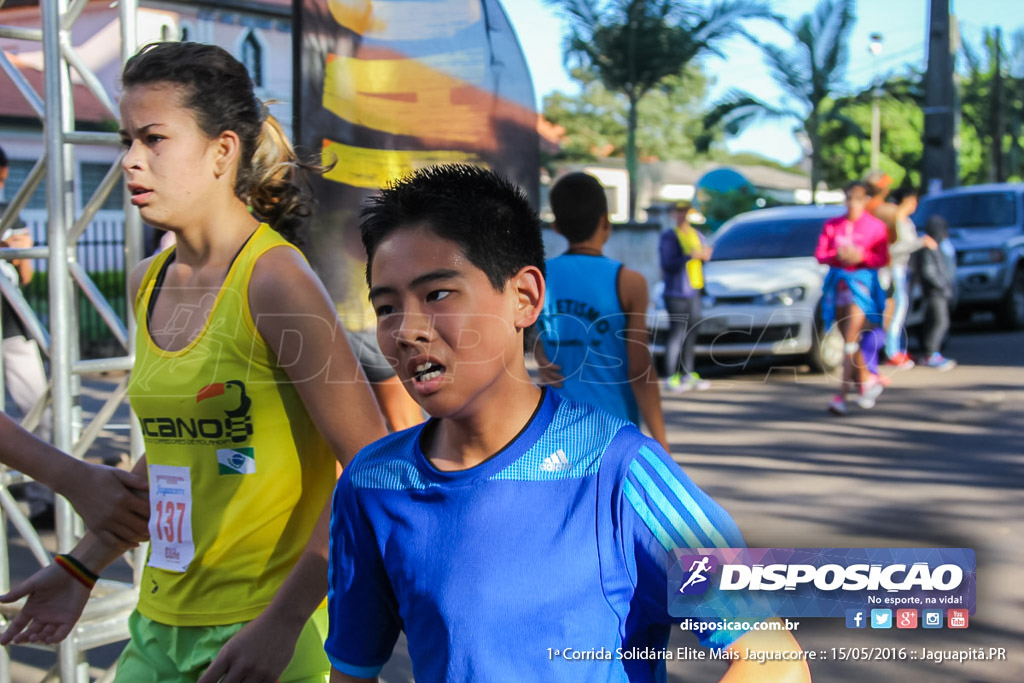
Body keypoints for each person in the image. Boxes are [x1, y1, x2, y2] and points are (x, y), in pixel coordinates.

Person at [325, 164, 809, 682]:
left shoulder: (624, 472)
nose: (407, 329)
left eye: (438, 294)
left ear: (526, 298)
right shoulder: (370, 483)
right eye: (385, 307)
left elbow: (774, 657)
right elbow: (352, 670)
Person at [0, 41, 388, 683]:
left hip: (262, 635)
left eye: (154, 139)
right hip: (159, 621)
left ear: (222, 151)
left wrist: (286, 622)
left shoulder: (275, 281)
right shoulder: (146, 282)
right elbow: (179, 454)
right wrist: (81, 565)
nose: (129, 161)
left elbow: (371, 464)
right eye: (126, 139)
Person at [534, 171, 669, 452]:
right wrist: (661, 443)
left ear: (557, 226)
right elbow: (639, 368)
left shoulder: (537, 279)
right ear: (605, 222)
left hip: (554, 431)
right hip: (613, 433)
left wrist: (538, 353)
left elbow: (514, 330)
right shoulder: (629, 282)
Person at [1, 145, 58, 521]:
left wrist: (18, 251)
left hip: (10, 320)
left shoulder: (11, 211)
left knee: (39, 405)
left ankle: (44, 500)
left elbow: (27, 275)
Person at [816, 181, 889, 415]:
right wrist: (838, 256)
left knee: (849, 341)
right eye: (849, 197)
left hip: (862, 288)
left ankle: (841, 395)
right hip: (838, 288)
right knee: (849, 340)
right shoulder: (833, 225)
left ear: (866, 200)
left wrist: (861, 256)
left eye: (858, 198)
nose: (853, 203)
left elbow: (882, 258)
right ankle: (866, 379)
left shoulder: (875, 227)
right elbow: (820, 254)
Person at [659, 201, 712, 393]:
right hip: (676, 293)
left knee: (691, 335)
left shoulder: (696, 234)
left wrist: (704, 255)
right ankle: (670, 376)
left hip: (694, 291)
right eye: (679, 212)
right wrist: (690, 255)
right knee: (676, 335)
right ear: (674, 214)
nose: (683, 216)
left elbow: (702, 257)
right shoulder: (670, 236)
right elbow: (667, 264)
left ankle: (688, 373)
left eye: (685, 212)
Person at [884, 188, 924, 367]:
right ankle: (892, 351)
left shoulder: (904, 221)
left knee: (900, 310)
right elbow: (891, 248)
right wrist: (920, 243)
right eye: (912, 201)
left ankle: (897, 348)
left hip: (902, 269)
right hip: (893, 269)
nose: (914, 206)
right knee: (895, 311)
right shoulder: (894, 221)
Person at [915, 216, 957, 371]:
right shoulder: (928, 247)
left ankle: (932, 352)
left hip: (940, 291)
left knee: (937, 322)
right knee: (940, 322)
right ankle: (930, 354)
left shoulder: (938, 246)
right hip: (934, 292)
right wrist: (941, 286)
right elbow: (928, 271)